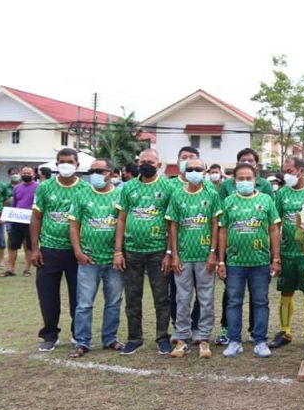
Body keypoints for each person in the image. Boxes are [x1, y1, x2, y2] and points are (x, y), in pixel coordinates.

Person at [217, 162, 281, 358]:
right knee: (234, 302)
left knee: (261, 302)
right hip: (235, 262)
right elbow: (223, 231)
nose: (244, 182)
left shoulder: (266, 200)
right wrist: (221, 261)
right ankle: (234, 341)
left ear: (256, 180)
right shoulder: (228, 201)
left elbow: (273, 230)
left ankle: (260, 341)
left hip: (260, 262)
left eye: (248, 178)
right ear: (234, 181)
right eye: (240, 179)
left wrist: (276, 258)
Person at [114, 148, 174, 356]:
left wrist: (169, 252)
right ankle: (134, 338)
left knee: (161, 297)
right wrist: (118, 251)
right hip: (131, 251)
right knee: (132, 296)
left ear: (159, 165)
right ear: (137, 164)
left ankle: (162, 337)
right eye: (142, 161)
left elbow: (171, 222)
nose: (146, 164)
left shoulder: (168, 186)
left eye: (151, 161)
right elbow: (121, 218)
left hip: (158, 250)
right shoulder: (128, 187)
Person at [30, 148, 89, 351]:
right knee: (48, 295)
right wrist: (34, 248)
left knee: (78, 296)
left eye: (70, 162)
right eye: (62, 161)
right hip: (49, 250)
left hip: (76, 251)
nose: (66, 165)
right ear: (56, 164)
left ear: (77, 165)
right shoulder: (45, 187)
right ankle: (50, 334)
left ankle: (77, 333)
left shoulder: (86, 189)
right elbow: (36, 217)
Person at [166, 158, 222, 359]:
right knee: (182, 298)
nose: (194, 172)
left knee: (206, 298)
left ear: (205, 171)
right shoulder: (177, 194)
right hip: (183, 256)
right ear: (184, 171)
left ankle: (204, 338)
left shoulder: (212, 195)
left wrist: (213, 253)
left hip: (205, 255)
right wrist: (173, 254)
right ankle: (182, 338)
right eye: (190, 169)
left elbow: (216, 224)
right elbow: (173, 225)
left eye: (198, 169)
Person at [68, 158, 125, 357]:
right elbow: (73, 226)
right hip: (88, 260)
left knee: (113, 302)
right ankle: (82, 342)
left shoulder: (120, 195)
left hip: (113, 260)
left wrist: (119, 252)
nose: (95, 174)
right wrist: (78, 252)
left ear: (110, 172)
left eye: (99, 170)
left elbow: (123, 223)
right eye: (92, 170)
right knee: (84, 303)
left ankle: (110, 338)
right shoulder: (81, 195)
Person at [269, 156, 304, 349]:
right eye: (284, 171)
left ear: (301, 170)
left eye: (289, 171)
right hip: (287, 252)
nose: (286, 175)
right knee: (285, 292)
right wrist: (276, 255)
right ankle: (285, 332)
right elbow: (276, 224)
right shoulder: (281, 194)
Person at [0, 170, 10, 269]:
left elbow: (5, 200)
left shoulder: (2, 186)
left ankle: (1, 260)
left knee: (0, 240)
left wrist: (2, 214)